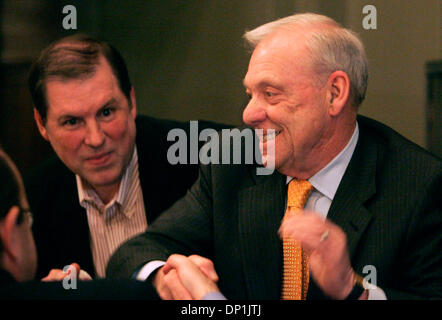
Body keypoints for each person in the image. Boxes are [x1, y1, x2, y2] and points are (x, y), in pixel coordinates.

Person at [106, 13, 442, 300]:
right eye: (250, 94)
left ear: (335, 93)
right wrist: (165, 278)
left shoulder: (420, 186)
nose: (250, 113)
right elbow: (134, 252)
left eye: (270, 93)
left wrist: (354, 291)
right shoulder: (232, 162)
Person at [25, 34, 229, 279]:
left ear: (131, 102)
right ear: (42, 124)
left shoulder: (207, 157)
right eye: (72, 122)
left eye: (107, 112)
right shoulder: (31, 202)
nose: (95, 138)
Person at [0, 147, 160, 299]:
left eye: (106, 115)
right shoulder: (133, 295)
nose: (95, 139)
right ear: (9, 232)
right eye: (28, 218)